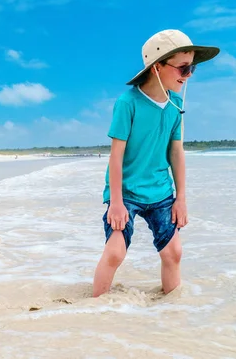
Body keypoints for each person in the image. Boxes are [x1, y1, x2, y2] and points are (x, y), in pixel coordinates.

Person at [92, 29, 220, 297]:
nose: (189, 76)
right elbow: (116, 156)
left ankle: (172, 310)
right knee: (115, 252)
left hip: (161, 191)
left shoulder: (176, 104)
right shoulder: (128, 103)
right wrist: (116, 202)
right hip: (126, 192)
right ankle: (95, 305)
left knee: (174, 252)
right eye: (183, 68)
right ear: (157, 67)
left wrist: (181, 198)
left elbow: (176, 153)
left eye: (192, 68)